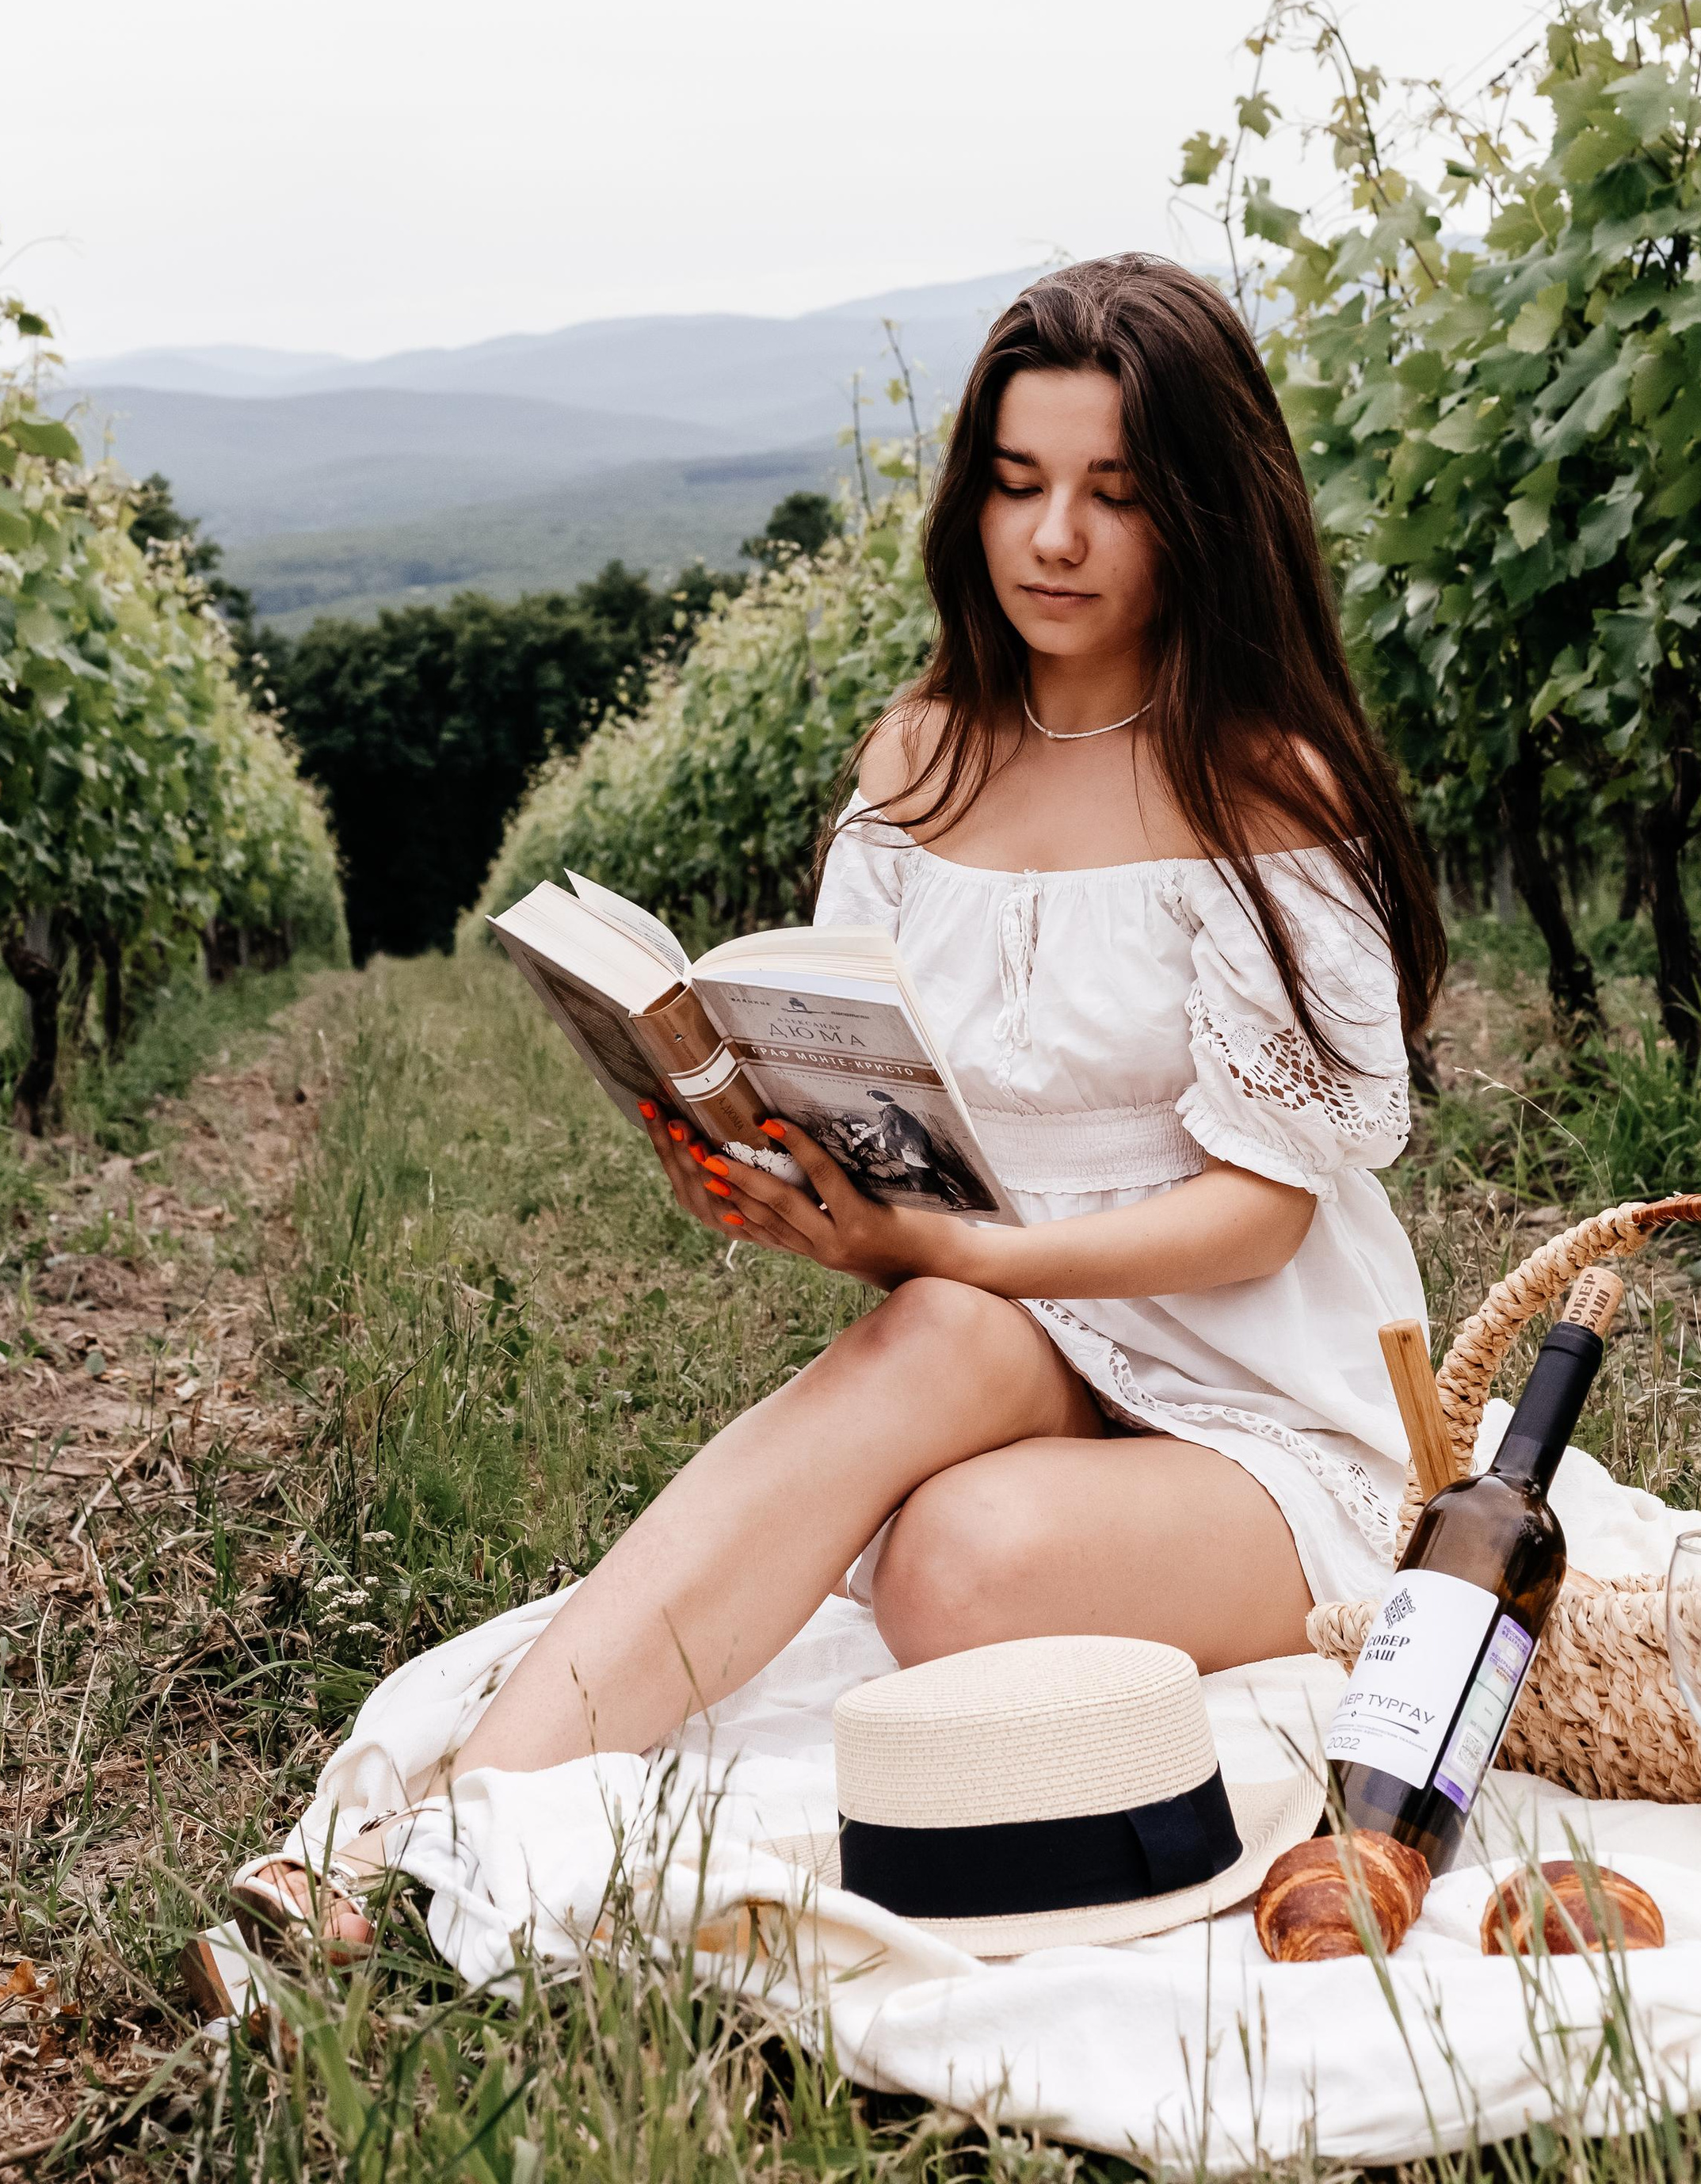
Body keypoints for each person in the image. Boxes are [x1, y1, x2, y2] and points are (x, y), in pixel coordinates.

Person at [231, 253, 1446, 1952]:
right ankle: (439, 1843)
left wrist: (947, 1251)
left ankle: (479, 1809)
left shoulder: (1260, 783)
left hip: (1264, 1397)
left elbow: (1261, 1214)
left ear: (1201, 512)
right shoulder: (918, 759)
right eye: (1016, 486)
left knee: (954, 1564)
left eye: (1112, 495)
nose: (1051, 542)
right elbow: (883, 1107)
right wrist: (776, 1180)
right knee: (934, 1348)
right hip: (1004, 1342)